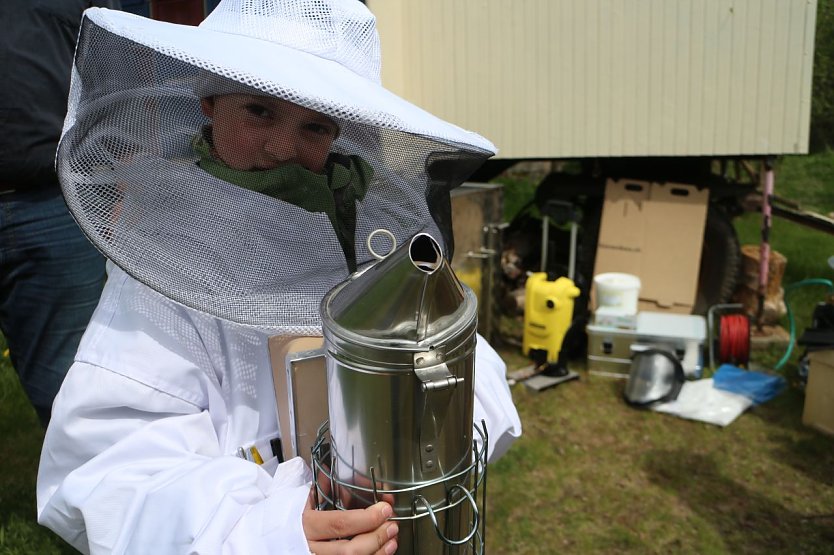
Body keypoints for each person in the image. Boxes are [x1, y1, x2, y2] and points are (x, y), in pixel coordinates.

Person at [37, 1, 522, 553]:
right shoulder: (160, 270)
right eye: (259, 111)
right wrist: (275, 529)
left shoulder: (366, 235)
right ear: (210, 102)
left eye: (315, 126)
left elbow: (474, 367)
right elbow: (110, 471)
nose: (283, 150)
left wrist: (413, 448)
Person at [0, 0, 118, 428]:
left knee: (70, 394)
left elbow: (117, 74)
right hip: (54, 204)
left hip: (53, 204)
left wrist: (123, 181)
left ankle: (80, 491)